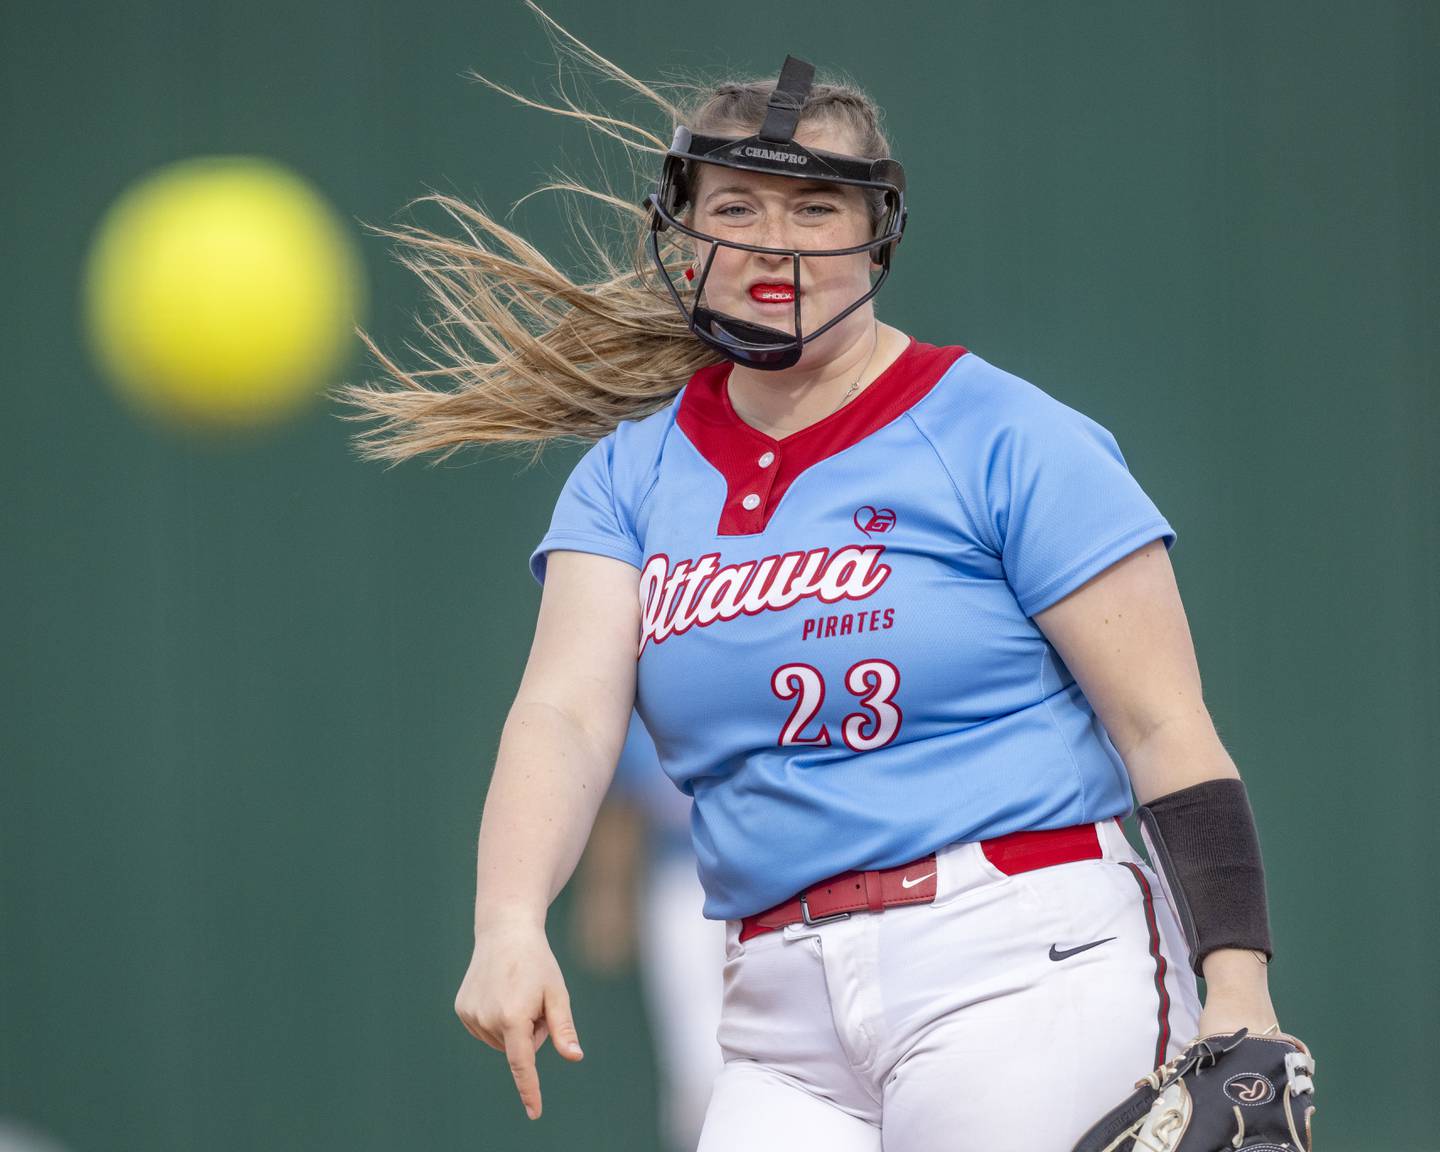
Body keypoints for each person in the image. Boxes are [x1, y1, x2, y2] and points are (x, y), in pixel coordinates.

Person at [339, 21, 1308, 1150]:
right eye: (735, 209)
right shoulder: (634, 473)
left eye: (816, 210)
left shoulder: (1002, 433)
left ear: (876, 236)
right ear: (681, 236)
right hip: (771, 998)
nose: (773, 244)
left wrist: (1238, 988)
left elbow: (1163, 728)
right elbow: (564, 709)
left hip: (1022, 949)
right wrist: (507, 918)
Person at [570, 714, 723, 1152]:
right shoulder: (657, 699)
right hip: (683, 886)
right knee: (698, 1060)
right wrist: (606, 895)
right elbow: (624, 805)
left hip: (769, 887)